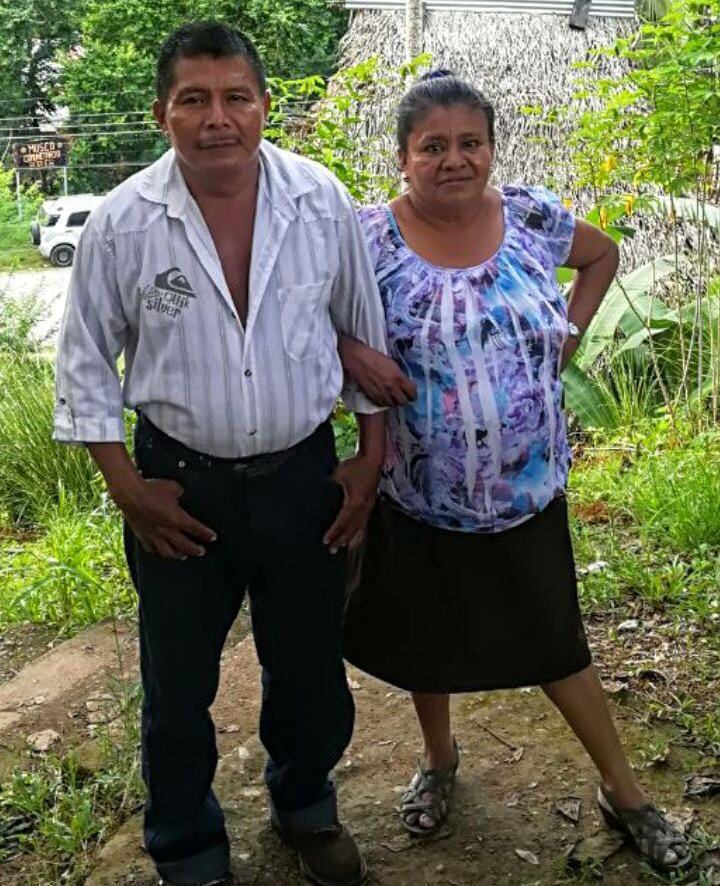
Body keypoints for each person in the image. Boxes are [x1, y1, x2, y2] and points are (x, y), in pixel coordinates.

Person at [53, 22, 387, 886]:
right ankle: (187, 845)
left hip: (303, 478)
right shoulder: (124, 224)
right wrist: (128, 489)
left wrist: (369, 460)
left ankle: (306, 804)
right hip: (180, 488)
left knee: (309, 666)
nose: (217, 118)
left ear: (265, 105)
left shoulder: (320, 201)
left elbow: (362, 329)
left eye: (237, 97)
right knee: (177, 685)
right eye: (194, 99)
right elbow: (84, 362)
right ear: (161, 113)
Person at [340, 70, 691, 875]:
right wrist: (352, 350)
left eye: (470, 143)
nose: (454, 160)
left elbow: (601, 256)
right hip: (420, 491)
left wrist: (571, 334)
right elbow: (317, 319)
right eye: (433, 146)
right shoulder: (369, 240)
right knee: (425, 642)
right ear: (403, 158)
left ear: (492, 149)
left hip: (527, 488)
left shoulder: (529, 216)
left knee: (557, 645)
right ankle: (439, 760)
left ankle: (624, 792)